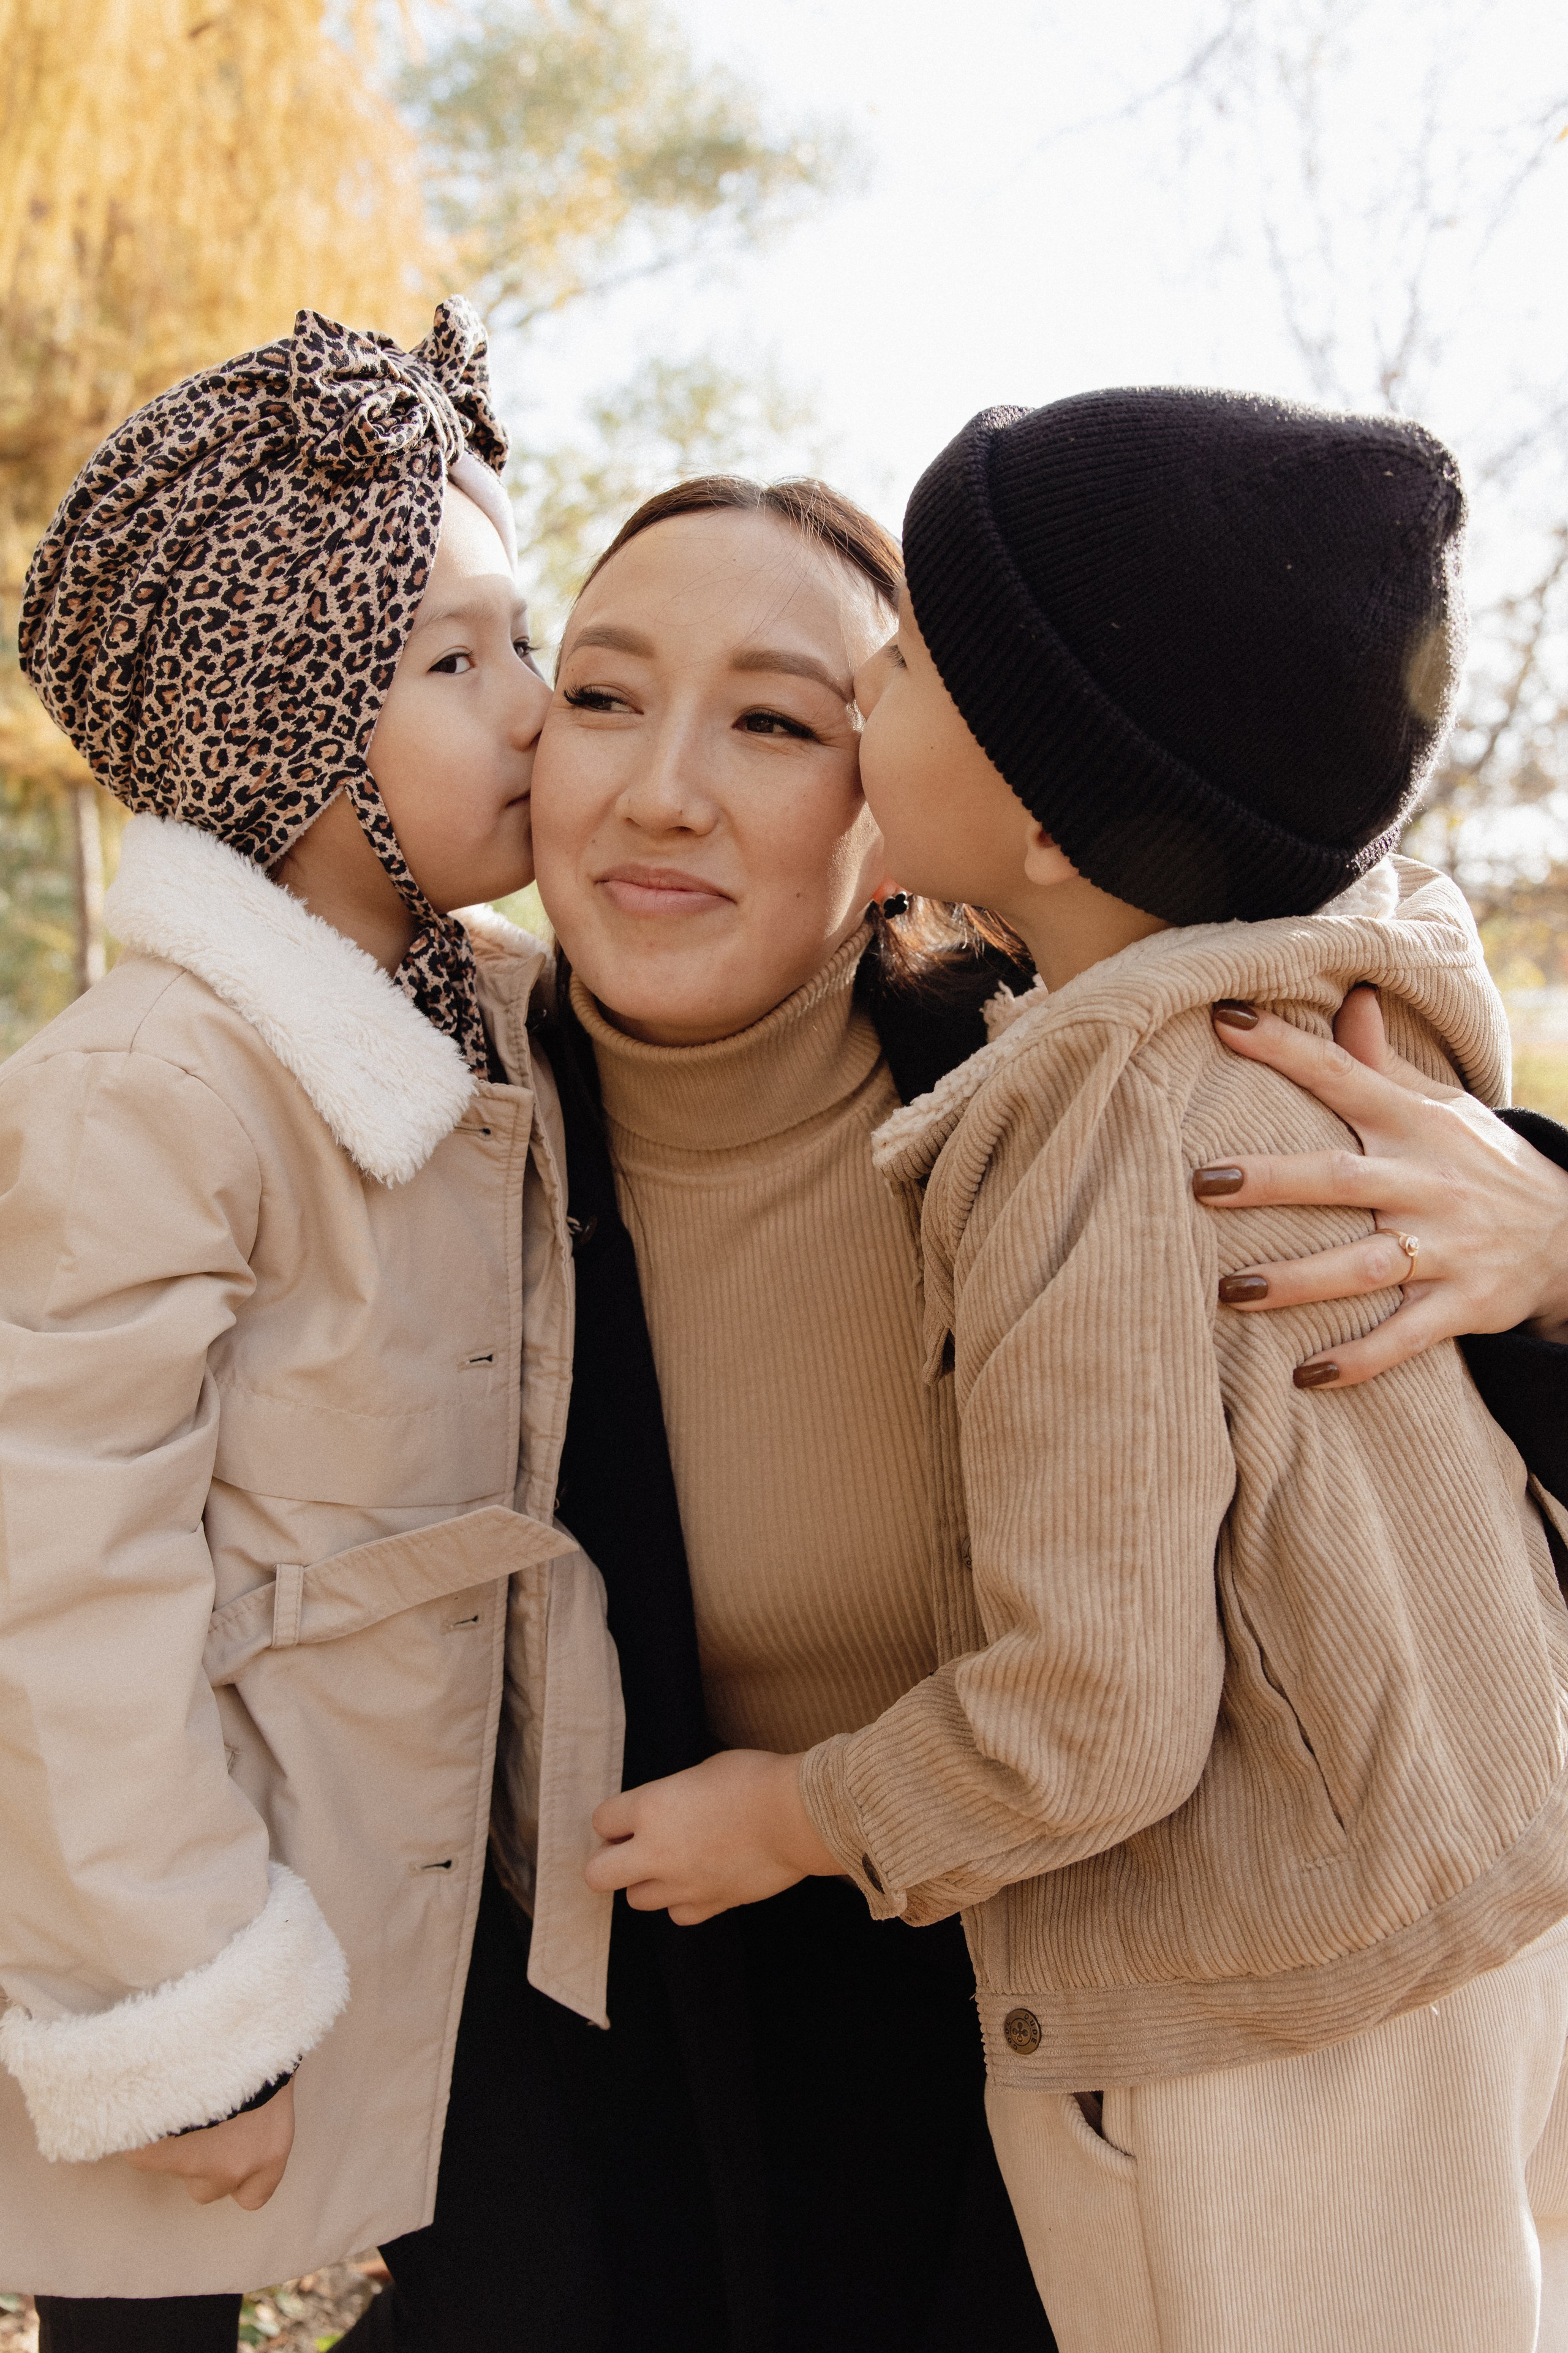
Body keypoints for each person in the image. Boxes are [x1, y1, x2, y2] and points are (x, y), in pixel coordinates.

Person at [356, 465, 1568, 2352]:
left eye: (782, 716)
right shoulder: (407, 1134)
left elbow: (1454, 1474)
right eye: (600, 691)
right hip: (656, 2131)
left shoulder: (1119, 1088)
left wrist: (1559, 1237)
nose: (664, 785)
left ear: (925, 804)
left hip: (1140, 2080)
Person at [0, 299, 617, 2352]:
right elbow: (56, 1571)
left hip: (443, 1887)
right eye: (454, 660)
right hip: (205, 1905)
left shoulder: (497, 1014)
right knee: (146, 2316)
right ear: (277, 720)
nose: (537, 707)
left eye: (525, 639)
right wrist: (177, 1986)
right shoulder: (156, 1087)